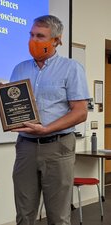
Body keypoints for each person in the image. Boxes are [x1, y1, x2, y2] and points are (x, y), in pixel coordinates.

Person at [9, 15, 89, 225]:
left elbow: (80, 112)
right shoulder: (20, 69)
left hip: (58, 146)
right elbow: (16, 107)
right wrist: (4, 102)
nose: (33, 40)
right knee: (24, 214)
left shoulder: (72, 68)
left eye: (40, 36)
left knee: (58, 216)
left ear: (56, 40)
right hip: (25, 146)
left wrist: (46, 129)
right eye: (32, 35)